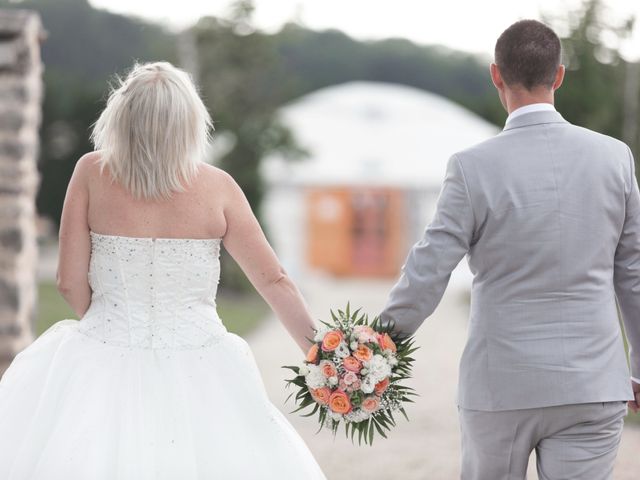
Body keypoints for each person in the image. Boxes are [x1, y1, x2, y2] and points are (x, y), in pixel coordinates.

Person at [0, 61, 326, 479]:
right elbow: (274, 280)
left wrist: (109, 324)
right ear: (190, 122)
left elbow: (67, 281)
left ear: (120, 116)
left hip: (100, 352)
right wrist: (324, 358)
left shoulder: (90, 172)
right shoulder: (219, 187)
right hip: (201, 360)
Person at [379, 19, 640, 480]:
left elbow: (430, 267)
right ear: (559, 75)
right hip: (593, 383)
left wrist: (377, 344)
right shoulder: (614, 157)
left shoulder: (471, 167)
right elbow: (633, 271)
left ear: (496, 74)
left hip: (501, 384)